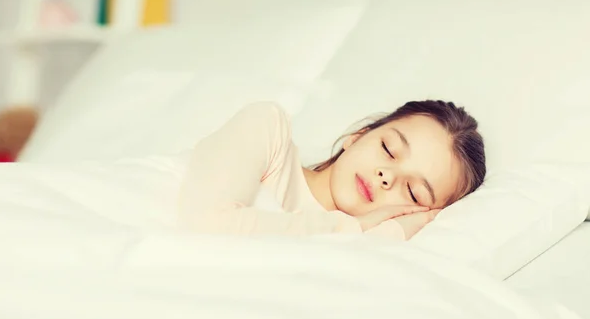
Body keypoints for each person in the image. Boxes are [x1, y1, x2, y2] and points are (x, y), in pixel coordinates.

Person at [178, 100, 486, 240]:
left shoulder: (374, 248)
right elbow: (205, 229)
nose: (387, 176)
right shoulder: (268, 128)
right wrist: (356, 229)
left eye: (412, 192)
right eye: (388, 149)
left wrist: (387, 233)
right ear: (358, 135)